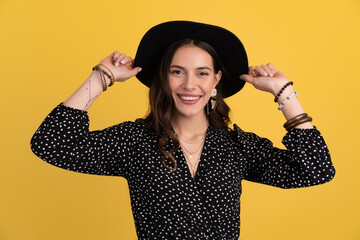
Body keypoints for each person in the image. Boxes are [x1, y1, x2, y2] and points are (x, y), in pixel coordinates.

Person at [30, 21, 335, 239]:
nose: (190, 85)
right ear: (164, 78)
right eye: (177, 72)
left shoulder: (238, 146)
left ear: (216, 80)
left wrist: (283, 92)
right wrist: (102, 77)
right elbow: (51, 144)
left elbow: (316, 170)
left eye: (202, 73)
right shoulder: (136, 141)